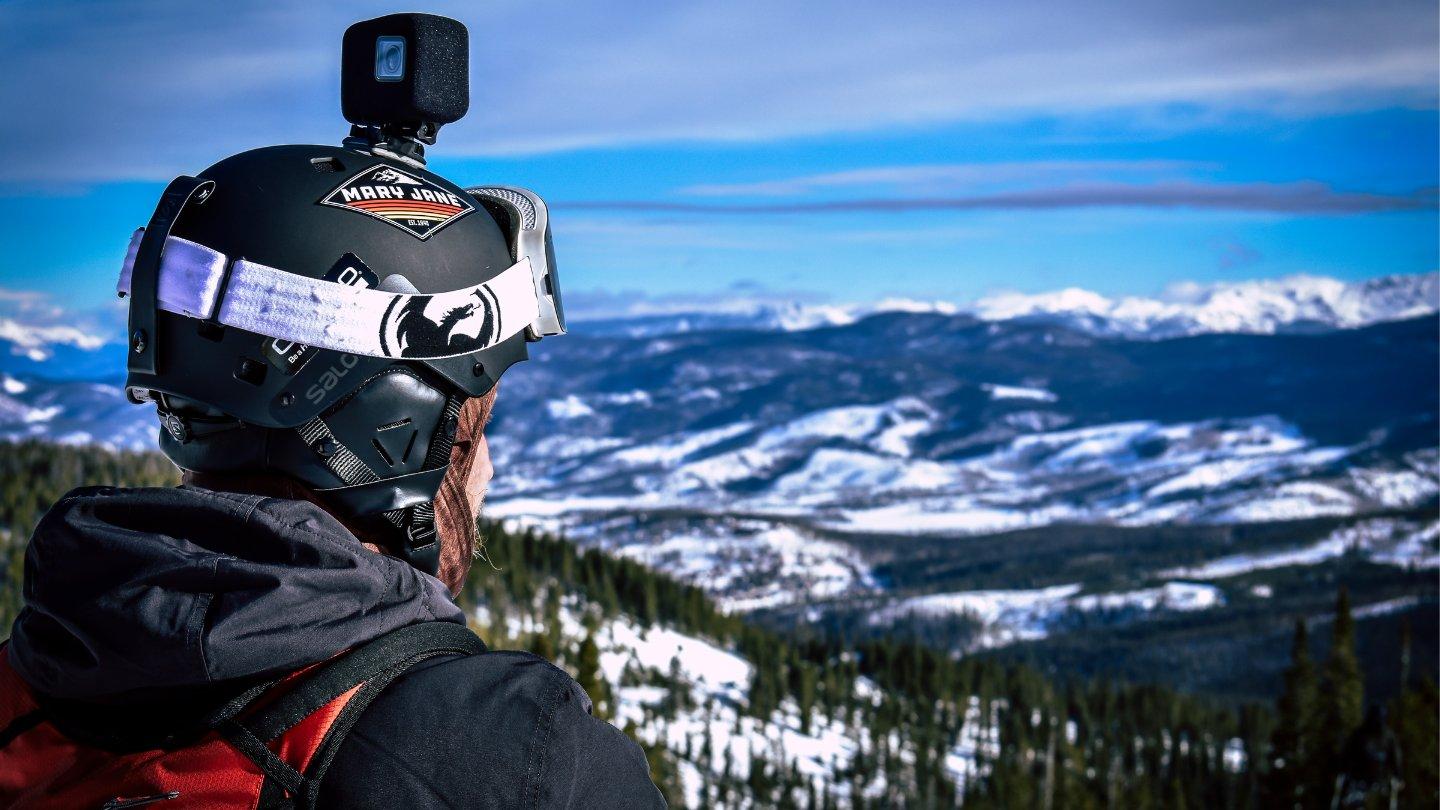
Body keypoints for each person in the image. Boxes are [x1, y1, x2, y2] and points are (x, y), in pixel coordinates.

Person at [0, 13, 666, 808]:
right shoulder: (511, 757)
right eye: (478, 424)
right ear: (404, 430)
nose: (485, 467)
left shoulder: (28, 685)